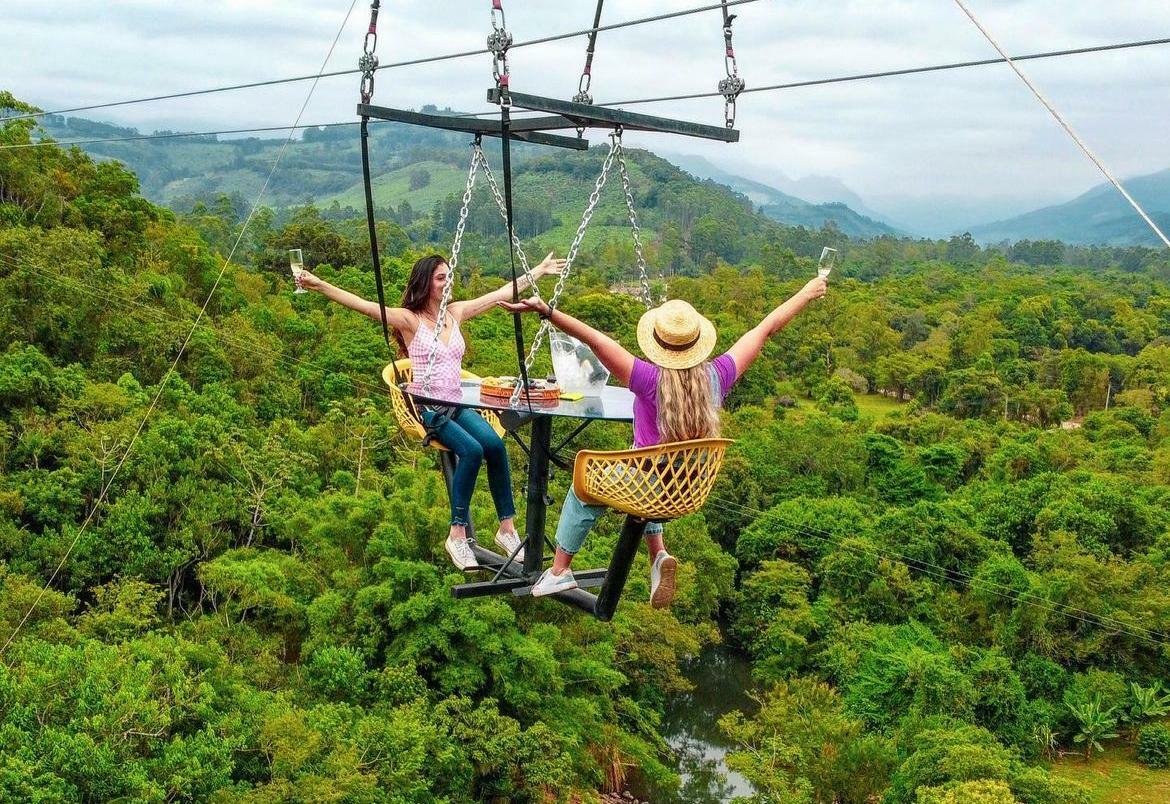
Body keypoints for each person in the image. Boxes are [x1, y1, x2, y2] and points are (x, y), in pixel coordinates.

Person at [499, 276, 827, 606]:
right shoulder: (719, 374)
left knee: (583, 486)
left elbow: (596, 341)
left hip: (648, 486)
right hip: (685, 489)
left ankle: (559, 570)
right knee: (648, 469)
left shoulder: (648, 378)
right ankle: (659, 555)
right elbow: (766, 328)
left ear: (658, 344)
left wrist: (548, 311)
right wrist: (807, 292)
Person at [298, 252, 565, 570]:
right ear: (425, 283)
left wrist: (539, 269)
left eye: (450, 276)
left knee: (494, 445)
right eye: (441, 277)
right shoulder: (411, 321)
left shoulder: (455, 313)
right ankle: (456, 534)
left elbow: (501, 294)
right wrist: (320, 285)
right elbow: (364, 306)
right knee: (472, 451)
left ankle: (506, 528)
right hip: (430, 411)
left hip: (456, 404)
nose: (448, 282)